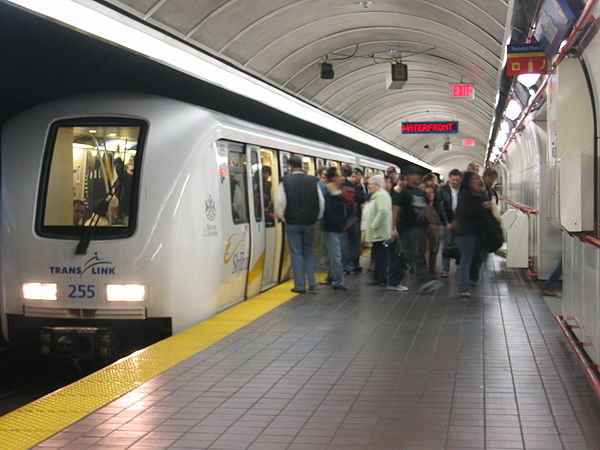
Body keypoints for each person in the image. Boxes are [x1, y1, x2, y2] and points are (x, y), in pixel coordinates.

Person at [275, 154, 324, 293]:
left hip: (292, 223)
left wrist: (283, 217)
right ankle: (312, 282)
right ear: (302, 166)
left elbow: (280, 203)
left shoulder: (285, 181)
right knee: (309, 252)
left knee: (296, 253)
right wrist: (316, 217)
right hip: (310, 222)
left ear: (290, 166)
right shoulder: (312, 180)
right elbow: (321, 202)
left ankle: (300, 286)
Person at [389, 165, 443, 293]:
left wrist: (432, 223)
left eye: (419, 175)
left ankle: (394, 281)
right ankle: (425, 281)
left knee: (405, 256)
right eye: (414, 175)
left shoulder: (421, 193)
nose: (417, 177)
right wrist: (393, 228)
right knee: (416, 255)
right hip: (407, 228)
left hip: (419, 228)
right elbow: (396, 210)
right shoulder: (403, 193)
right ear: (407, 177)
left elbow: (426, 209)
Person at [454, 171, 489, 297]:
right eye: (473, 179)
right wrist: (483, 207)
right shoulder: (464, 194)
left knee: (479, 257)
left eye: (476, 178)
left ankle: (472, 278)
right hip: (466, 233)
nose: (476, 181)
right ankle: (463, 287)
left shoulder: (479, 193)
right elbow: (466, 211)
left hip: (478, 232)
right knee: (466, 260)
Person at [320, 167, 348, 291]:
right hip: (332, 228)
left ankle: (331, 277)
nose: (342, 177)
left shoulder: (335, 191)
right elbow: (329, 212)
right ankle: (338, 281)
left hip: (335, 227)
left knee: (332, 254)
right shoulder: (328, 192)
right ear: (333, 178)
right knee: (335, 255)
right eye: (339, 175)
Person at [364, 175, 392, 285]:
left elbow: (383, 211)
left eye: (370, 184)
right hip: (379, 232)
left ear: (376, 185)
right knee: (378, 254)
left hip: (380, 232)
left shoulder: (381, 196)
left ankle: (381, 278)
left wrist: (374, 225)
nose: (369, 186)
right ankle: (378, 277)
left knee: (381, 255)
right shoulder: (379, 195)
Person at [439, 169, 462, 277]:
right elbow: (441, 208)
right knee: (446, 246)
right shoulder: (443, 190)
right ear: (449, 179)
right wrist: (446, 222)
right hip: (447, 221)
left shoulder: (463, 190)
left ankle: (459, 266)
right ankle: (445, 269)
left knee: (459, 245)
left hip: (459, 222)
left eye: (457, 180)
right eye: (453, 180)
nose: (455, 182)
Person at [340, 165, 363, 273]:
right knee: (354, 242)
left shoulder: (339, 186)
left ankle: (345, 266)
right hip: (354, 218)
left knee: (344, 243)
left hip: (343, 219)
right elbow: (359, 199)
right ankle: (353, 264)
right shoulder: (353, 187)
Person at [423, 185, 446, 274]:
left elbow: (441, 216)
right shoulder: (423, 205)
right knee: (426, 250)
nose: (430, 195)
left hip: (436, 230)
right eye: (428, 193)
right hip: (425, 229)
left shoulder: (438, 205)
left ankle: (432, 269)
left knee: (434, 250)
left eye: (432, 193)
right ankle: (426, 270)